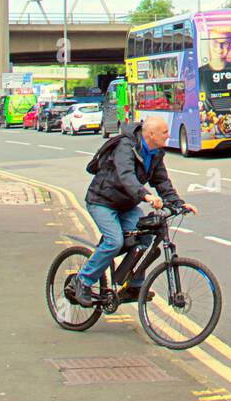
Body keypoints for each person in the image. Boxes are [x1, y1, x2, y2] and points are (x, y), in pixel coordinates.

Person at [73, 115, 197, 306]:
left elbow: (161, 181)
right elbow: (126, 176)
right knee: (114, 241)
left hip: (127, 205)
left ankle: (133, 286)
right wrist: (146, 196)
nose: (168, 135)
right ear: (151, 134)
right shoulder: (126, 146)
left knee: (145, 237)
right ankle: (83, 281)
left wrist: (178, 204)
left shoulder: (155, 153)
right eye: (164, 132)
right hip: (102, 201)